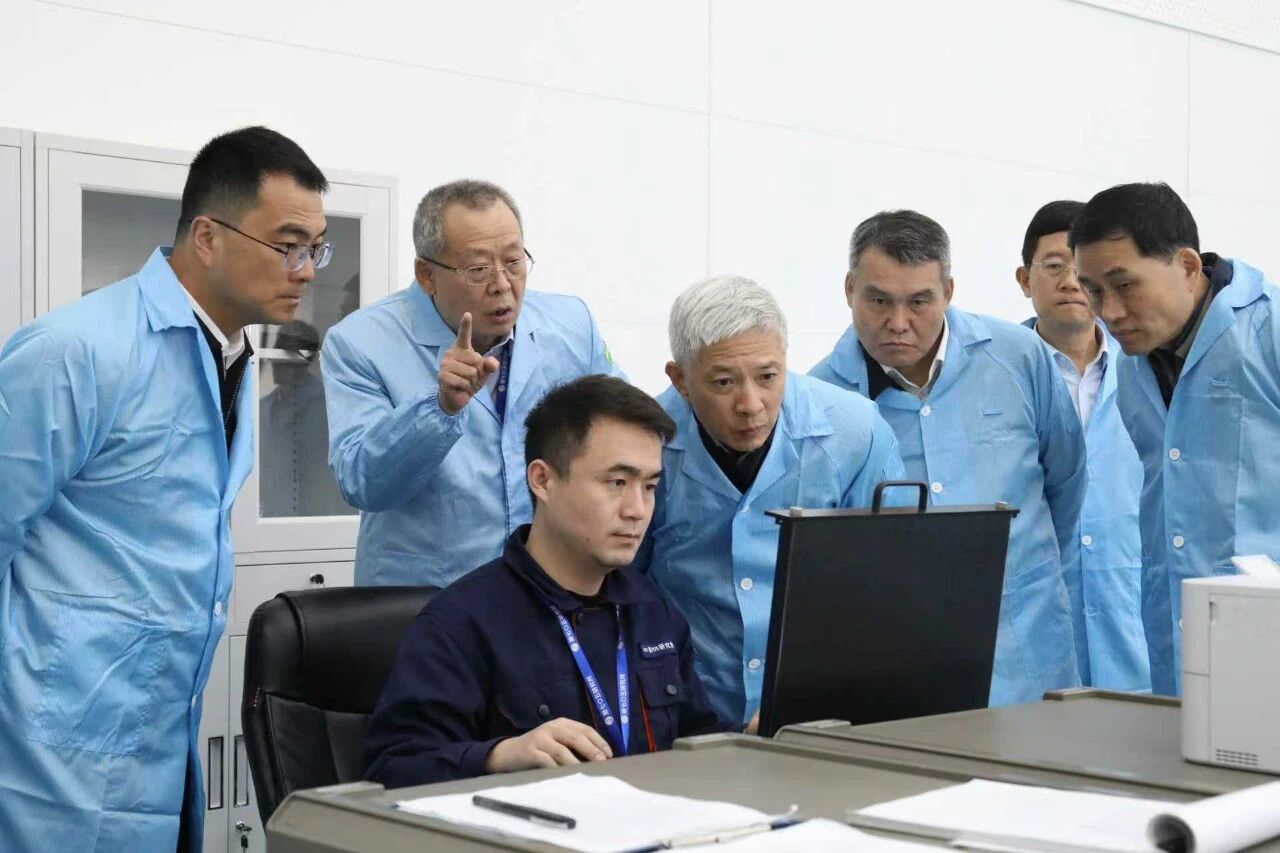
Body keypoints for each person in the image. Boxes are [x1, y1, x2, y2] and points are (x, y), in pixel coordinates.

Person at [0, 126, 329, 852]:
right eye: (288, 245)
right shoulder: (77, 350)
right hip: (45, 747)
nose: (306, 270)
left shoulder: (233, 355)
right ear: (207, 237)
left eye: (316, 248)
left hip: (159, 734)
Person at [362, 375, 734, 786]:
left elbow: (695, 742)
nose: (637, 509)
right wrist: (498, 756)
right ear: (543, 480)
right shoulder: (461, 622)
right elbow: (392, 769)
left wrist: (751, 741)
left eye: (649, 486)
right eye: (617, 483)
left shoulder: (653, 610)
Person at [810, 210, 1086, 706]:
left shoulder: (1019, 356)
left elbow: (1065, 483)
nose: (898, 323)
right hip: (897, 663)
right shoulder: (821, 401)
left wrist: (1020, 570)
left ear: (949, 292)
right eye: (879, 300)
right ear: (849, 289)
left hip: (1026, 655)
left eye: (919, 301)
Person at [322, 180, 625, 587]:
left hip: (544, 588)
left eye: (514, 262)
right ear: (427, 275)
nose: (502, 284)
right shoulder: (360, 342)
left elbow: (621, 431)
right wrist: (439, 409)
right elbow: (362, 482)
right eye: (478, 269)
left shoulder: (570, 324)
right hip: (425, 596)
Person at [636, 275, 906, 725]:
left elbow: (890, 586)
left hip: (820, 706)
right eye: (724, 382)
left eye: (767, 376)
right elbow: (619, 586)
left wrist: (817, 695)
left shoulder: (855, 432)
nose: (751, 404)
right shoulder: (646, 443)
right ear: (680, 379)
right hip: (685, 706)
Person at [1071, 182, 1280, 696]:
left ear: (1187, 266)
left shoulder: (1268, 331)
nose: (1109, 312)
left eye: (1124, 285)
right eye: (1093, 291)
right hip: (1177, 637)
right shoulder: (1133, 362)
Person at [1016, 200, 1149, 692]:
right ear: (1024, 279)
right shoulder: (1000, 375)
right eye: (1054, 266)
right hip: (1036, 639)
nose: (1070, 282)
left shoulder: (1146, 368)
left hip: (1133, 633)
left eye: (1081, 271)